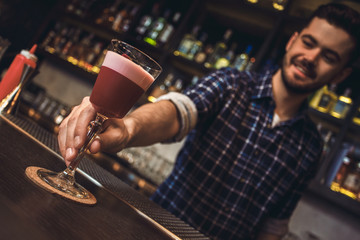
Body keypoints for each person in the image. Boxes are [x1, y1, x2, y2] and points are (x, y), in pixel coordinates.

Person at [57, 3, 360, 240]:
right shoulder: (231, 84)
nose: (311, 56)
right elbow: (177, 111)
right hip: (153, 229)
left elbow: (273, 226)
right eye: (308, 42)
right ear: (292, 41)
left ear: (341, 74)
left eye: (329, 56)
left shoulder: (311, 147)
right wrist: (129, 129)